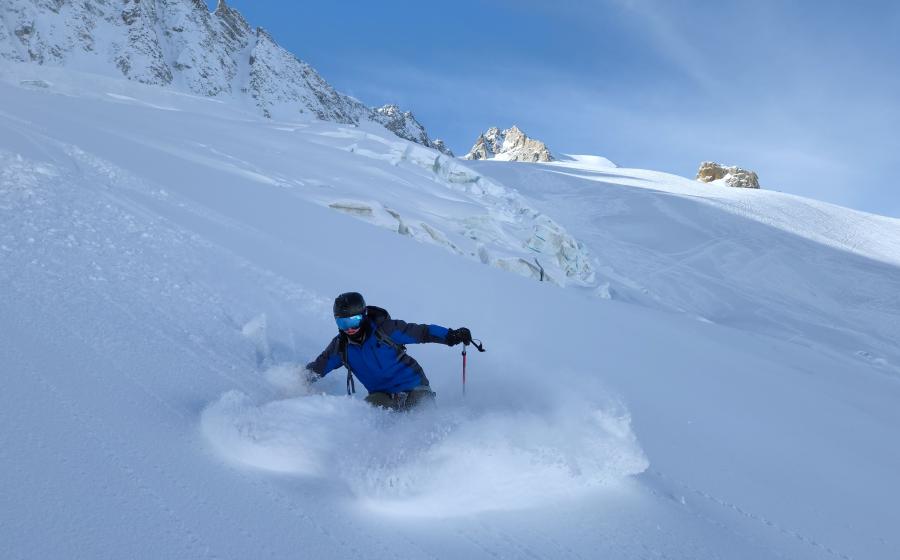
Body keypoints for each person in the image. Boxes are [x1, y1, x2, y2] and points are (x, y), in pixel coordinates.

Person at [305, 292, 473, 410]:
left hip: (413, 386)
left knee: (422, 417)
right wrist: (297, 381)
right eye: (343, 323)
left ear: (363, 315)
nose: (349, 328)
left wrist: (450, 336)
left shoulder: (385, 330)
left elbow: (422, 332)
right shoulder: (340, 346)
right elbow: (318, 368)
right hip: (381, 395)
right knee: (366, 414)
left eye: (354, 321)